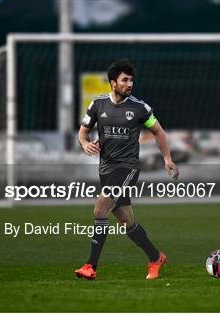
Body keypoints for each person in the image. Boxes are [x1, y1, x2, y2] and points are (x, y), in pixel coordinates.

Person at [75, 59, 179, 280]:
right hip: (106, 169)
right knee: (126, 222)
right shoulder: (97, 105)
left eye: (131, 80)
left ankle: (90, 266)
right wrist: (85, 144)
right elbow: (82, 132)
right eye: (124, 80)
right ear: (113, 83)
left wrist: (167, 159)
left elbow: (159, 132)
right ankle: (156, 257)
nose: (129, 84)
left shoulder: (140, 108)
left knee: (100, 209)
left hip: (128, 168)